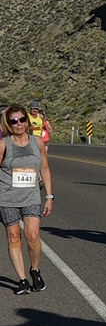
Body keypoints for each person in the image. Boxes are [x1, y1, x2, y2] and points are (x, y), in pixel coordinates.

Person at [0, 104, 53, 295]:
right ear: (8, 123)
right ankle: (22, 280)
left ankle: (35, 270)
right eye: (14, 121)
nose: (18, 124)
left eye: (22, 119)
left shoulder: (37, 142)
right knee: (14, 237)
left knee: (32, 236)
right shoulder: (3, 145)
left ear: (27, 121)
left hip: (31, 196)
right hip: (7, 197)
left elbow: (44, 169)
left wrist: (49, 196)